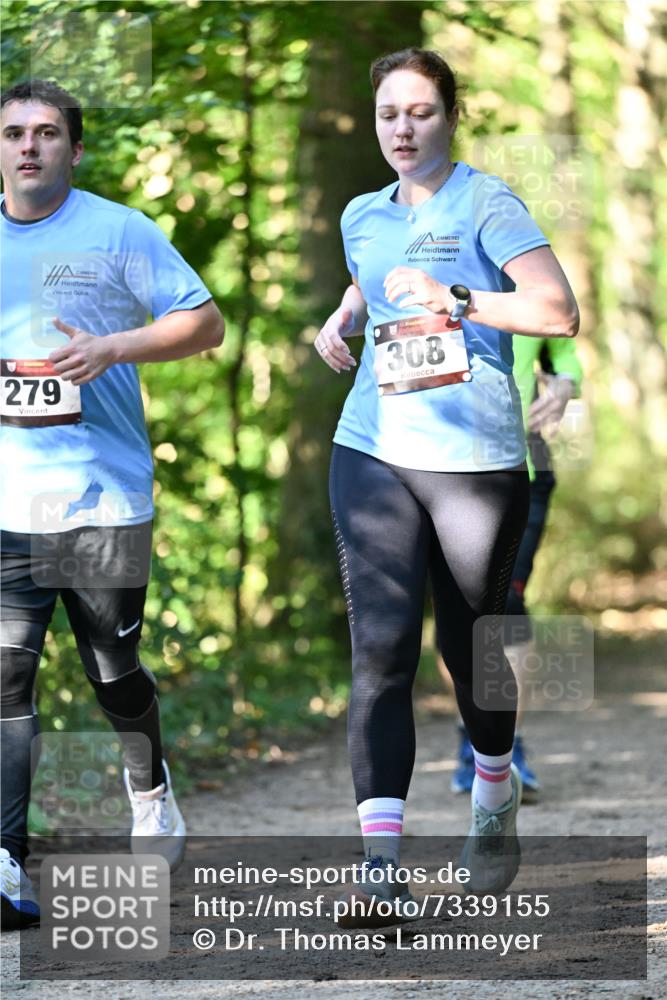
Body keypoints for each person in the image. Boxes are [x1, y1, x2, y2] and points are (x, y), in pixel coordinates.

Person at [315, 48, 579, 924]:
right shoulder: (361, 212)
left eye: (419, 112)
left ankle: (493, 791)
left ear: (449, 116)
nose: (401, 129)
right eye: (389, 112)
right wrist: (346, 314)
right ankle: (379, 872)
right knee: (381, 651)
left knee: (472, 652)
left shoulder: (488, 202)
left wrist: (456, 295)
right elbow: (372, 275)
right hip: (374, 446)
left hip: (474, 460)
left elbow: (554, 311)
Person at [0, 79, 224, 930]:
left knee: (111, 672)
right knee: (6, 674)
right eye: (14, 133)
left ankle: (149, 787)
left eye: (47, 133)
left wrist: (113, 347)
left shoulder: (118, 230)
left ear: (74, 149)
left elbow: (205, 324)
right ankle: (7, 863)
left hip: (100, 496)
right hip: (5, 500)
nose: (29, 146)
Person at [451, 335, 583, 801]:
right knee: (459, 606)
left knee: (506, 602)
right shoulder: (430, 276)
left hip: (527, 459)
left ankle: (505, 744)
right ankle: (472, 734)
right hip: (440, 464)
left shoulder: (528, 283)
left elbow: (566, 359)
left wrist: (565, 386)